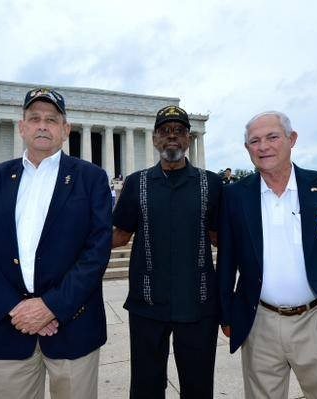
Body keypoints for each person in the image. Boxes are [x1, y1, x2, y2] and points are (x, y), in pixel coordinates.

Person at [0, 88, 112, 399]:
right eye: (34, 119)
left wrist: (51, 306)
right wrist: (16, 308)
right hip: (9, 327)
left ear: (65, 129)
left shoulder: (91, 178)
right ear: (22, 127)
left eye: (51, 119)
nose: (43, 125)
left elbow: (96, 252)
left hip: (73, 326)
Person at [218, 111, 317, 398]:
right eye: (254, 141)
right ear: (247, 149)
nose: (263, 146)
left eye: (272, 137)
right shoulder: (235, 196)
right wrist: (228, 314)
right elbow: (227, 259)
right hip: (260, 324)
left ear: (292, 139)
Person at [112, 105, 222, 398]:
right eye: (165, 131)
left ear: (188, 139)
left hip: (197, 304)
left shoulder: (211, 183)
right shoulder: (137, 183)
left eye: (179, 131)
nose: (172, 137)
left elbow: (219, 239)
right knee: (146, 386)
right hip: (147, 304)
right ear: (155, 139)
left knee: (198, 386)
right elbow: (120, 236)